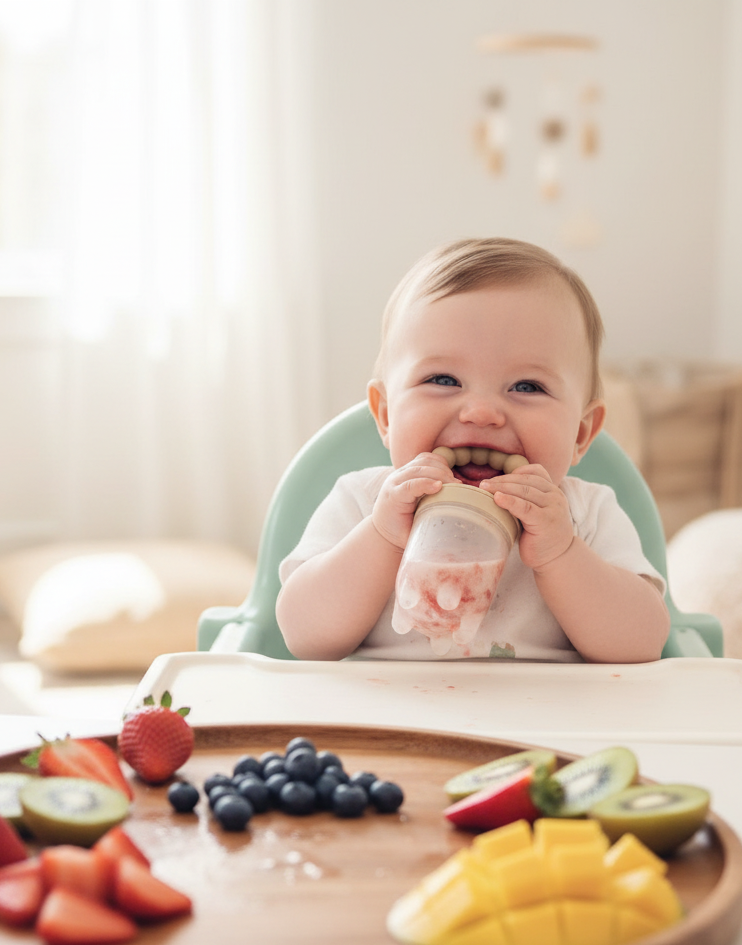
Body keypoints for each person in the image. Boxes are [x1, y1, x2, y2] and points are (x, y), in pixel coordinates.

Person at [275, 238, 670, 663]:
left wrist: (561, 554)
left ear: (581, 432)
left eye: (526, 386)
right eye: (443, 380)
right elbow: (304, 637)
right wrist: (382, 534)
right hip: (382, 704)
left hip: (542, 708)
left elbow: (642, 643)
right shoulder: (364, 503)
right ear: (386, 415)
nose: (482, 413)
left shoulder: (584, 516)